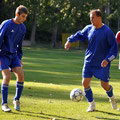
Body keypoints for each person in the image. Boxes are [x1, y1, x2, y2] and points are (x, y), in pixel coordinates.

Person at [64, 9, 118, 112]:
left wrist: (107, 59)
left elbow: (114, 49)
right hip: (89, 61)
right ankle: (92, 105)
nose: (91, 20)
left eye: (93, 17)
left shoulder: (107, 32)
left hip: (102, 63)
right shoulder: (89, 28)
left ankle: (112, 98)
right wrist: (69, 40)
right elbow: (79, 35)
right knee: (85, 83)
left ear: (99, 17)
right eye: (90, 18)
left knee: (104, 85)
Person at [0, 5, 28, 112]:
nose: (24, 19)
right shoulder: (6, 24)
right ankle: (4, 104)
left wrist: (19, 58)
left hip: (14, 55)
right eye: (23, 16)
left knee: (20, 75)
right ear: (17, 14)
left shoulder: (23, 27)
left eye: (25, 17)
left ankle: (16, 100)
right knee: (7, 76)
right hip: (3, 54)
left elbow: (20, 45)